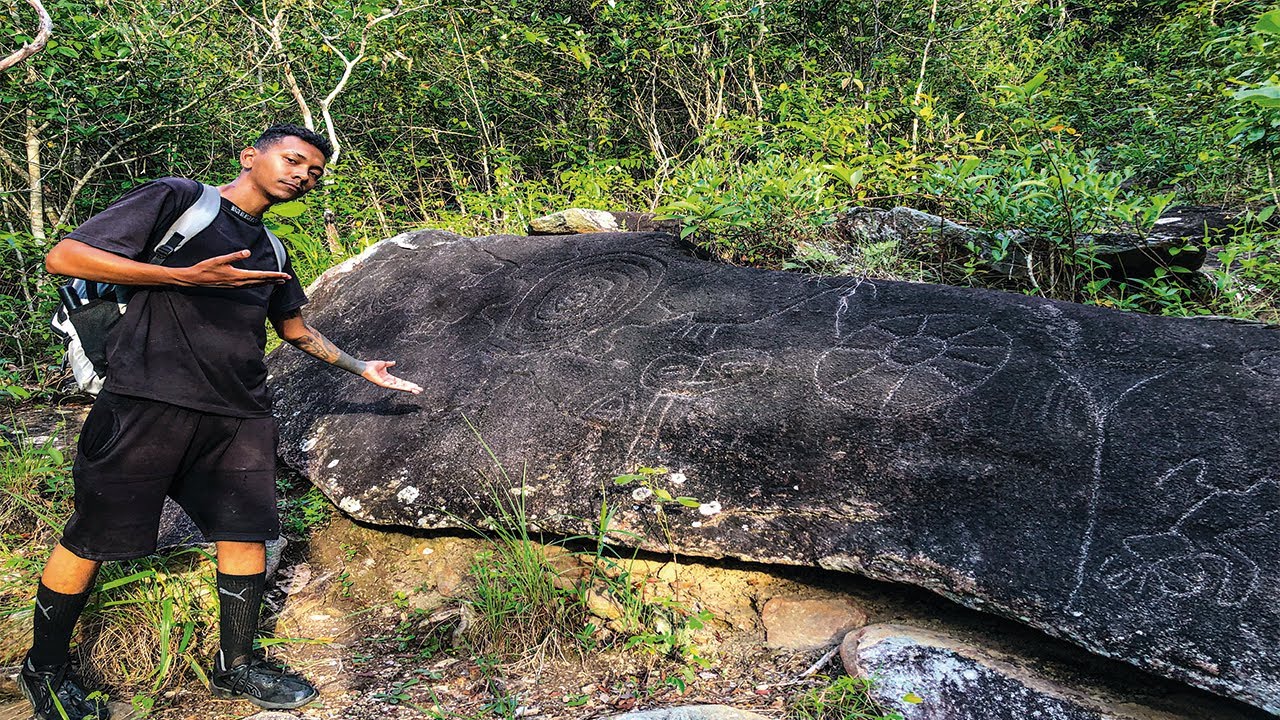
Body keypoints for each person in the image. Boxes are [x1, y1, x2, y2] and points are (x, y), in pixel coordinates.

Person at [23, 124, 422, 719]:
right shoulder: (181, 201)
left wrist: (361, 367)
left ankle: (235, 665)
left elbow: (294, 331)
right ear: (250, 157)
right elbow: (64, 256)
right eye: (293, 161)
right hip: (146, 398)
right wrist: (180, 277)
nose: (303, 176)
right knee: (93, 534)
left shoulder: (275, 251)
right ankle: (45, 669)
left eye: (314, 172)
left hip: (237, 410)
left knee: (244, 534)